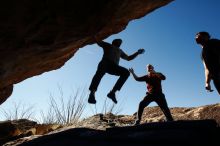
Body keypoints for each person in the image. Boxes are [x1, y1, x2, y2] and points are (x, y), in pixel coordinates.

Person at [88, 38, 145, 104]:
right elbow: (98, 41)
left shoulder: (120, 51)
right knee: (98, 75)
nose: (120, 42)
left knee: (126, 72)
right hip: (105, 63)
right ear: (113, 42)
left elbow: (128, 58)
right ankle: (92, 93)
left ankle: (112, 92)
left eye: (121, 42)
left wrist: (137, 53)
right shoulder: (108, 45)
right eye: (118, 41)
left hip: (114, 66)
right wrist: (95, 35)